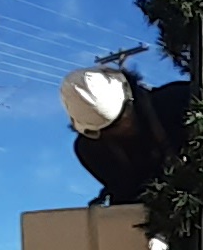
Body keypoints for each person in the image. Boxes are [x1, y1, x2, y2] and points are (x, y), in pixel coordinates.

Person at [59, 67, 190, 206]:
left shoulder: (179, 101)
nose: (126, 126)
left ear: (131, 97)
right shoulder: (91, 150)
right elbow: (127, 197)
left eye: (125, 114)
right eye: (112, 128)